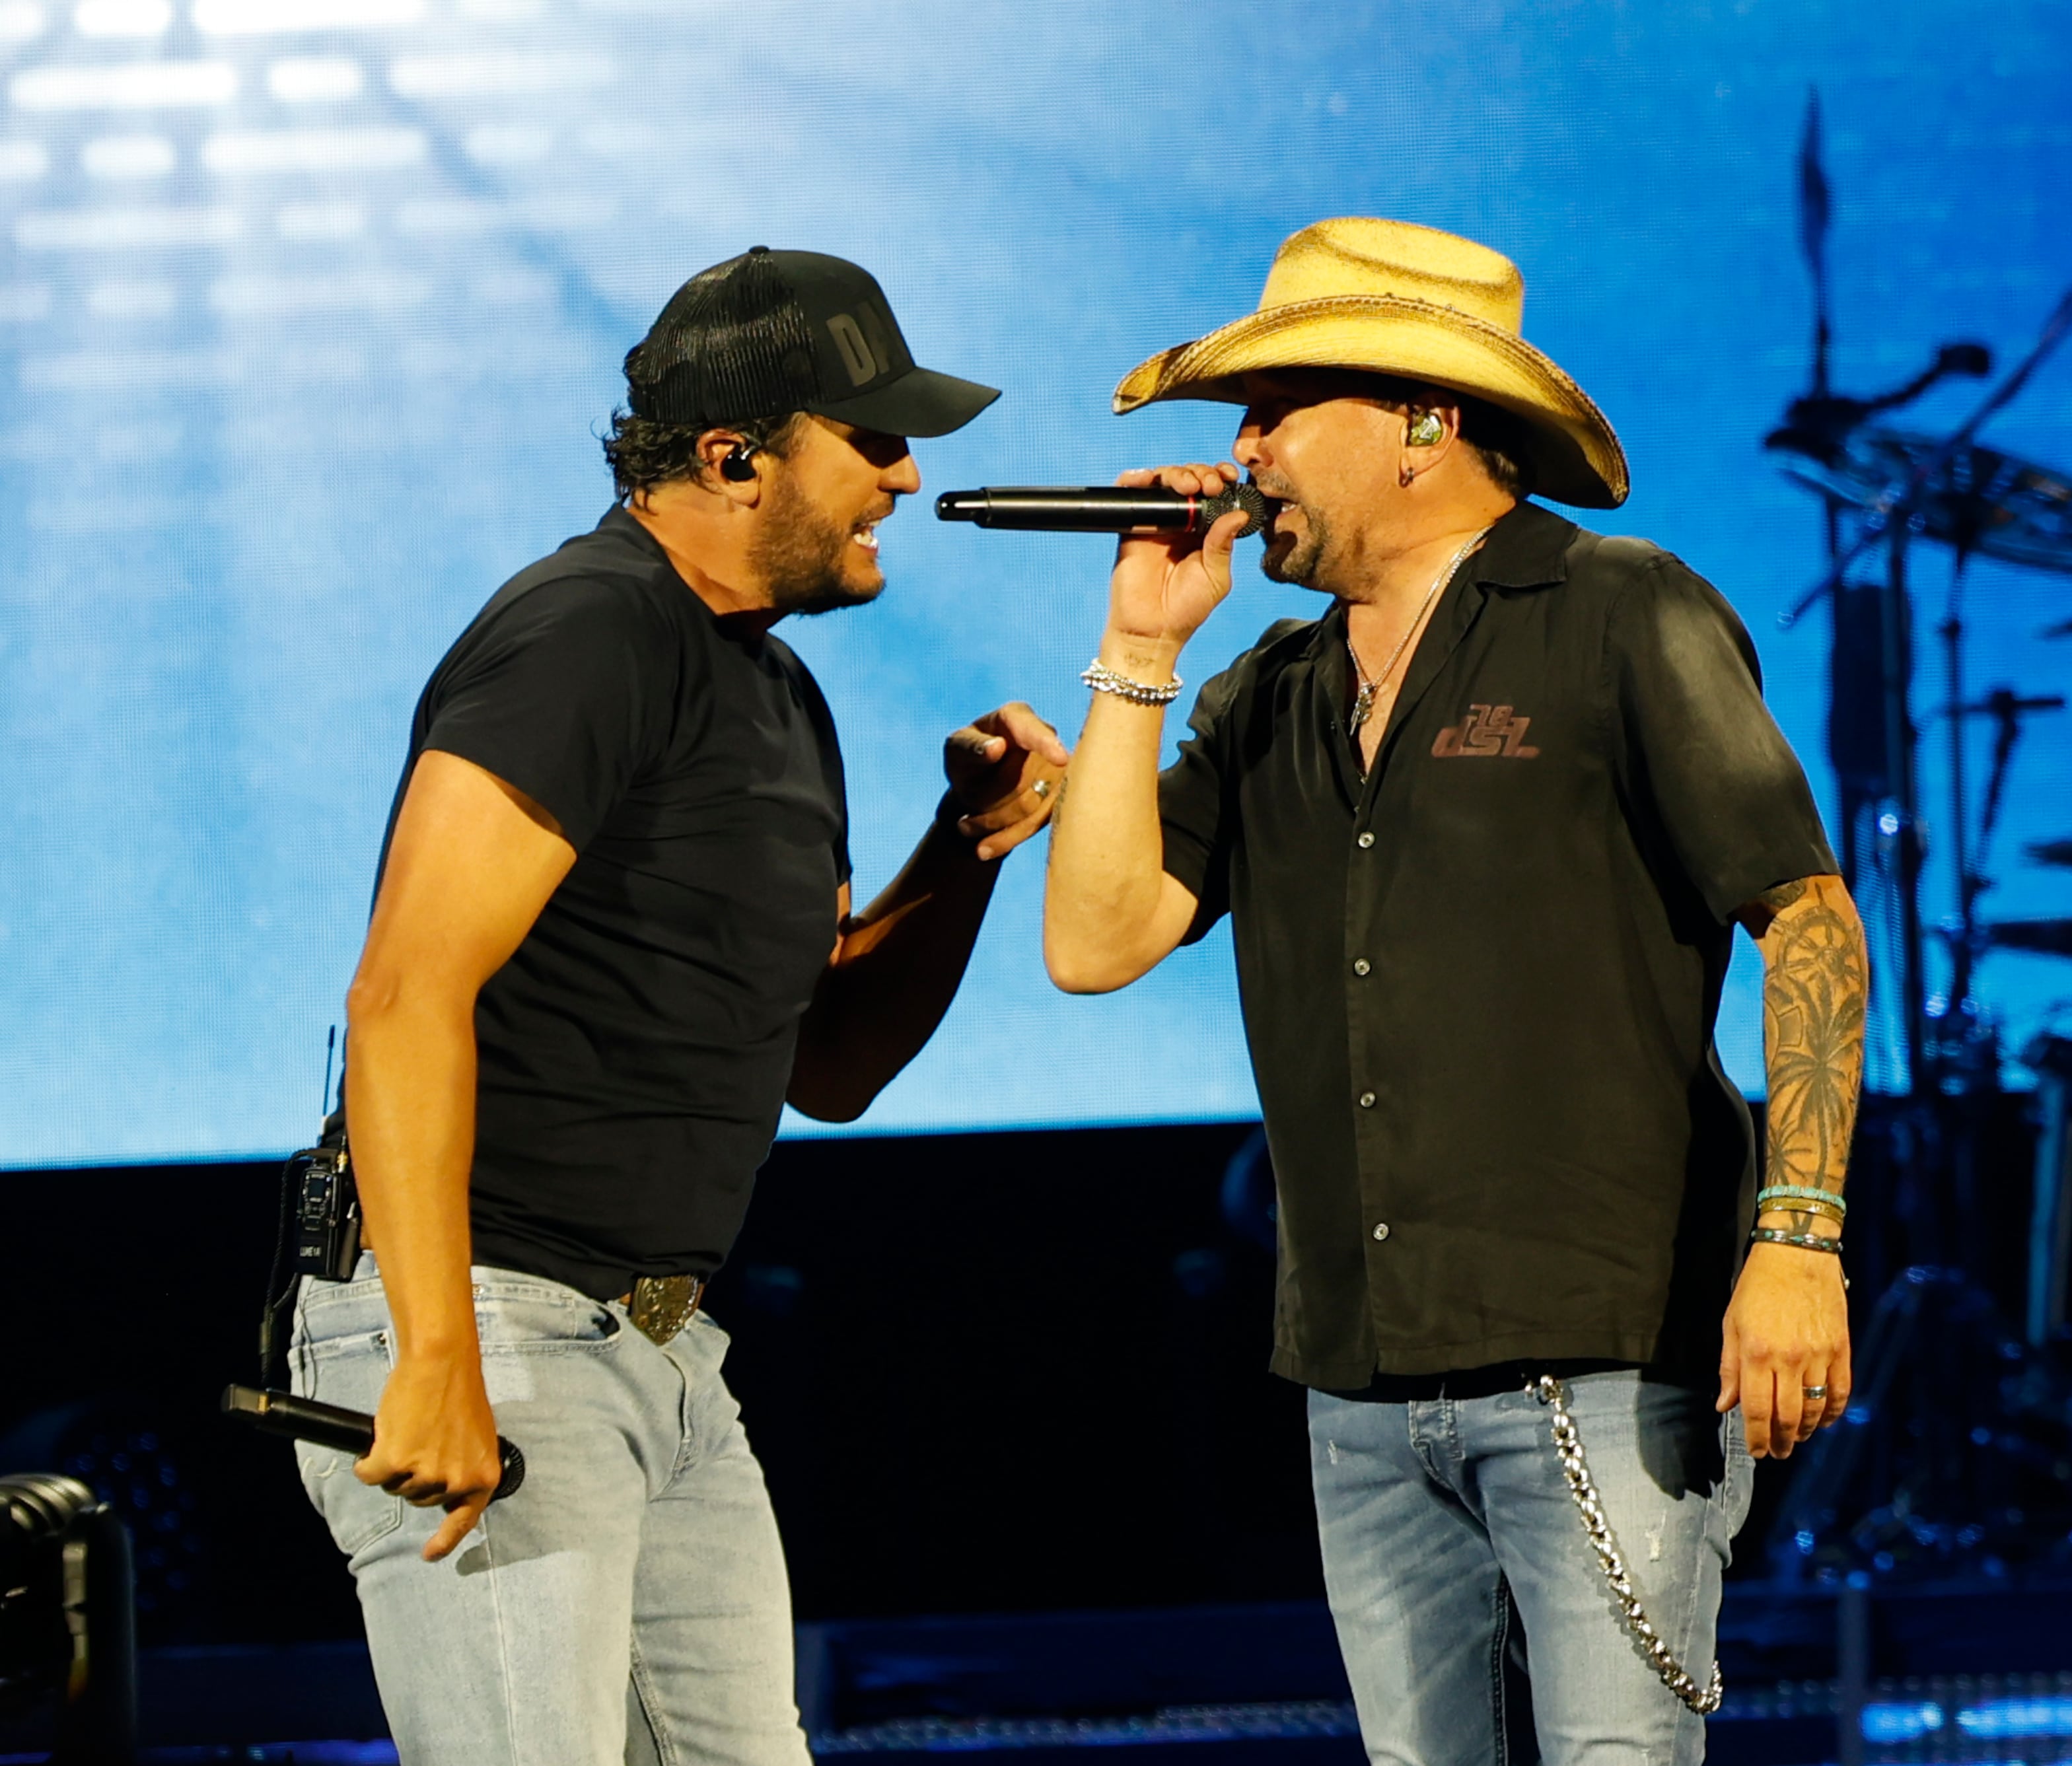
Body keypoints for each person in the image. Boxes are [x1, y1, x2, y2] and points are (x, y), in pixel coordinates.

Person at [1041, 218, 1868, 1763]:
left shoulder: (1622, 612)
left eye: (1278, 410)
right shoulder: (1268, 690)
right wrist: (1135, 644)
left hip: (1604, 1364)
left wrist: (1800, 1237)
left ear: (1424, 420)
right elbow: (1095, 940)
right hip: (1360, 1385)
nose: (1245, 451)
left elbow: (1808, 919)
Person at [293, 246, 1067, 1765]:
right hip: (496, 1316)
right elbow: (404, 991)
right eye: (874, 440)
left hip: (659, 1348)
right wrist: (437, 1353)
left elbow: (826, 1061)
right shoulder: (587, 629)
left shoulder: (778, 696)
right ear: (731, 456)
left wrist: (962, 850)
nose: (906, 481)